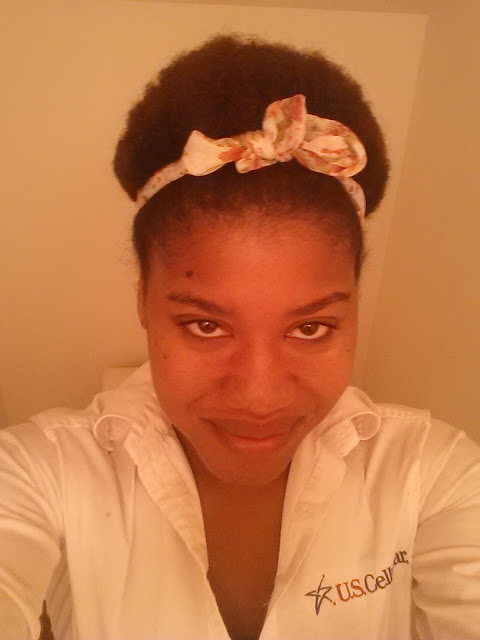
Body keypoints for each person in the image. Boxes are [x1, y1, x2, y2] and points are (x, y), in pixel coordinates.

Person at [1, 34, 479, 640]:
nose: (259, 397)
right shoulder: (36, 474)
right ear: (144, 299)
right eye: (206, 325)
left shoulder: (434, 477)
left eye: (310, 327)